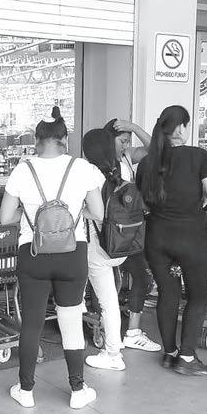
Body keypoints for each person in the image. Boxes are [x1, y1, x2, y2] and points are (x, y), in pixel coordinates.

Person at [0, 106, 105, 409]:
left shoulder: (23, 170)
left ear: (36, 140)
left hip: (33, 252)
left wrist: (29, 215)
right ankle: (77, 389)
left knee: (32, 322)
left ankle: (26, 390)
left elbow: (5, 216)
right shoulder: (82, 168)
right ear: (64, 139)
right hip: (72, 253)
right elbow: (98, 213)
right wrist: (73, 216)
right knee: (70, 320)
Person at [136, 105, 207, 376]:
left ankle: (170, 353)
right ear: (182, 127)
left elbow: (143, 201)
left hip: (156, 238)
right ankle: (186, 357)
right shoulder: (199, 156)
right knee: (198, 295)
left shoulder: (147, 162)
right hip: (190, 238)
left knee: (168, 292)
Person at [104, 118, 161, 352]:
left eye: (128, 141)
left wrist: (135, 128)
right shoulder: (97, 165)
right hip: (109, 232)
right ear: (108, 141)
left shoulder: (127, 157)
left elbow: (155, 150)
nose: (126, 145)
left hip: (131, 230)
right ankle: (116, 331)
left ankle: (133, 332)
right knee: (110, 282)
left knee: (143, 276)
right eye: (122, 141)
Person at [77, 128, 127, 372]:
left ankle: (112, 353)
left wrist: (79, 211)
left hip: (97, 246)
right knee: (109, 299)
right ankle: (113, 346)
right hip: (121, 244)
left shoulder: (89, 172)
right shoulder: (121, 169)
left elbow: (96, 212)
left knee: (100, 298)